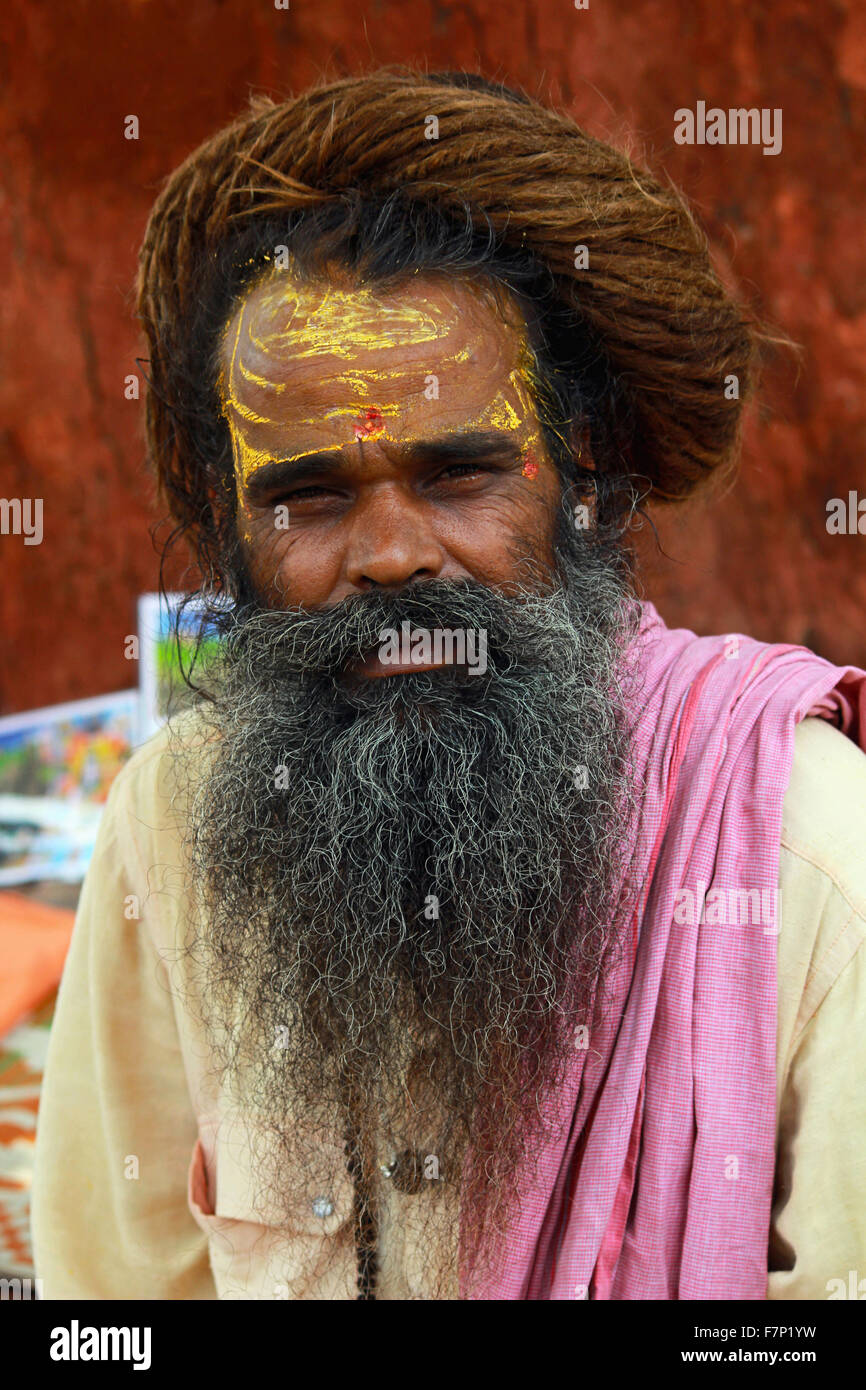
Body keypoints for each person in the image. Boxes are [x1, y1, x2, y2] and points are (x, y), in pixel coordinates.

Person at [32, 67, 866, 1300]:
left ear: (579, 474)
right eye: (307, 497)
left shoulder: (805, 849)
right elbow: (112, 1303)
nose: (389, 555)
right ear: (230, 529)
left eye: (458, 475)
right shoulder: (174, 821)